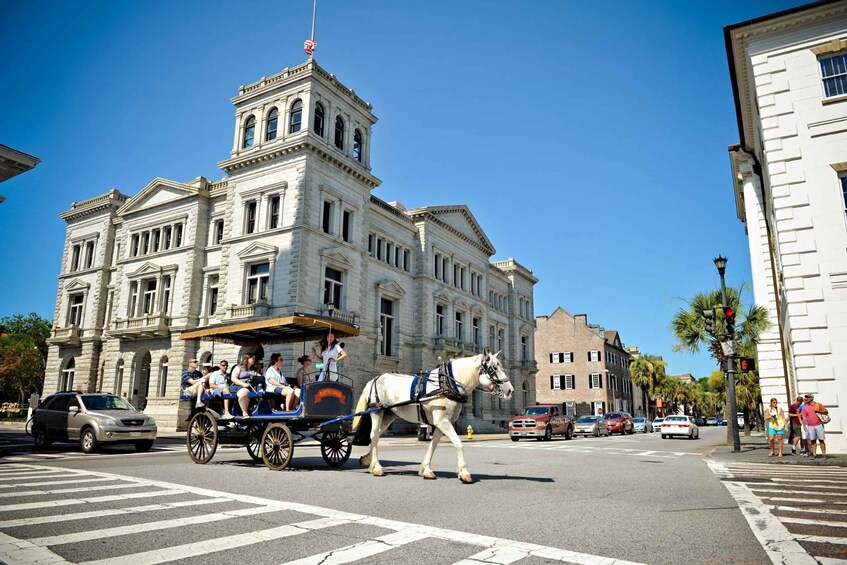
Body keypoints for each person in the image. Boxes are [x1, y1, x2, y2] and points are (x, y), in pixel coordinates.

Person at [801, 393, 829, 459]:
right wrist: (804, 426)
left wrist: (819, 411)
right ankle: (814, 455)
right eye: (806, 397)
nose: (806, 398)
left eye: (808, 397)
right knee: (813, 440)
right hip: (810, 426)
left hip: (819, 425)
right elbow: (804, 417)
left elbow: (826, 412)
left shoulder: (818, 405)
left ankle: (824, 455)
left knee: (821, 440)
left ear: (812, 398)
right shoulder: (805, 407)